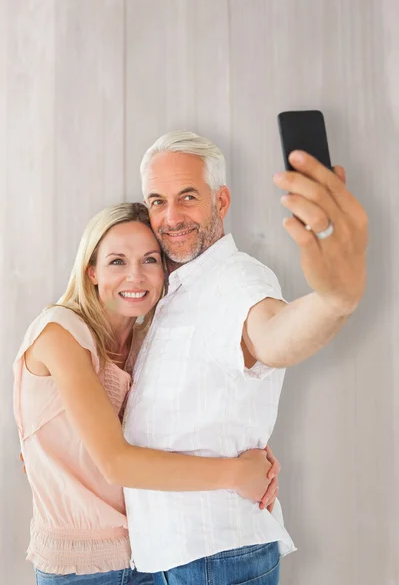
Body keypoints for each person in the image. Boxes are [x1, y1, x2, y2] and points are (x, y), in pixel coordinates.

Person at [122, 131, 368, 584]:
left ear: (222, 200)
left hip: (216, 556)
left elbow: (273, 335)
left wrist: (336, 300)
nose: (170, 217)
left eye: (188, 197)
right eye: (157, 201)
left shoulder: (237, 280)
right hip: (168, 554)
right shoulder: (166, 289)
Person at [13, 202, 280, 585]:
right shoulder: (60, 333)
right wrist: (238, 473)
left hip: (151, 553)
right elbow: (116, 464)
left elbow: (189, 423)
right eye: (117, 262)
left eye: (150, 260)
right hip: (81, 570)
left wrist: (260, 461)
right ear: (91, 270)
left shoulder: (145, 344)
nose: (135, 277)